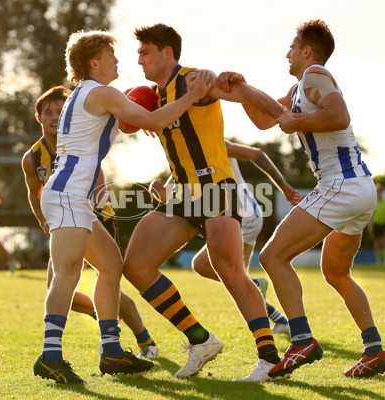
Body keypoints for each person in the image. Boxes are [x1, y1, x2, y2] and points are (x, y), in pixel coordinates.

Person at [33, 30, 211, 384]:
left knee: (112, 265)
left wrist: (134, 113)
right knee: (67, 274)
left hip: (70, 196)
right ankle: (50, 356)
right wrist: (191, 95)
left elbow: (128, 121)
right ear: (93, 62)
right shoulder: (100, 92)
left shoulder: (85, 94)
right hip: (68, 196)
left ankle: (111, 351)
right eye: (110, 55)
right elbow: (156, 121)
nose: (117, 60)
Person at [217, 19, 385, 379]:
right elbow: (266, 119)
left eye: (292, 47)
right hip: (360, 187)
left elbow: (339, 115)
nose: (287, 53)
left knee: (272, 256)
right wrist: (235, 87)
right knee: (336, 272)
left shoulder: (314, 74)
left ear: (307, 51)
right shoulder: (301, 87)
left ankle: (301, 340)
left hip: (340, 185)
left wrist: (298, 124)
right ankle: (374, 350)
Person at [123, 23, 287, 382]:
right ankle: (201, 340)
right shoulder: (154, 94)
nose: (139, 59)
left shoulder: (196, 80)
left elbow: (242, 94)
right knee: (135, 265)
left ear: (167, 53)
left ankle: (271, 359)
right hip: (182, 192)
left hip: (214, 186)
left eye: (145, 52)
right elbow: (131, 122)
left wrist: (267, 103)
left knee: (229, 270)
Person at [22, 86, 159, 362]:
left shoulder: (77, 143)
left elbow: (98, 186)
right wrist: (44, 220)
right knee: (64, 287)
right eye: (48, 112)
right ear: (38, 118)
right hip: (64, 218)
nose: (54, 117)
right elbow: (32, 191)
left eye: (60, 112)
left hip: (97, 218)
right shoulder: (32, 158)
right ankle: (106, 320)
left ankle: (142, 339)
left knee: (108, 281)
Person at [150, 139, 299, 334]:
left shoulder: (212, 138)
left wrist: (285, 187)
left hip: (241, 212)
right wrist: (158, 191)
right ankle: (279, 320)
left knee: (223, 273)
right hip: (237, 214)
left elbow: (257, 154)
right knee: (225, 274)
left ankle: (267, 342)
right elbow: (168, 195)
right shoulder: (181, 154)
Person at [368, 183, 385, 265]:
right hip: (376, 225)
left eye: (380, 191)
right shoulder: (373, 203)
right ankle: (378, 261)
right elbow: (370, 216)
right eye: (377, 191)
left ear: (382, 192)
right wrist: (370, 227)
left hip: (384, 225)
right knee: (377, 243)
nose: (379, 193)